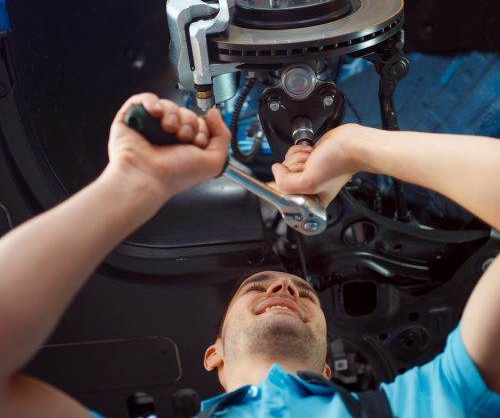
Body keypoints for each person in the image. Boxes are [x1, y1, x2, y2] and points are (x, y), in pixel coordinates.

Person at [0, 93, 499, 418]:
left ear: (328, 367)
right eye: (257, 288)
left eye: (302, 292)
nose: (283, 286)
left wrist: (354, 148)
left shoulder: (420, 407)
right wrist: (131, 184)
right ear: (212, 355)